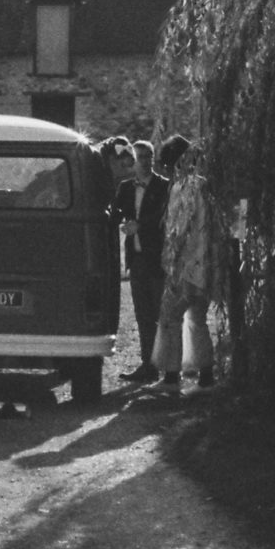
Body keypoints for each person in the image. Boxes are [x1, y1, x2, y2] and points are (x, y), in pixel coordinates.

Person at [153, 140, 215, 389]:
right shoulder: (205, 186)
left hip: (185, 265)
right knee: (197, 319)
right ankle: (206, 374)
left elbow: (179, 230)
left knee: (170, 317)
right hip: (206, 264)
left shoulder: (183, 188)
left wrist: (170, 260)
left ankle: (171, 374)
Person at [114, 139, 170, 381]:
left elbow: (165, 218)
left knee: (162, 316)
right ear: (132, 161)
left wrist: (140, 226)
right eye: (140, 157)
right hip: (136, 260)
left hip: (158, 261)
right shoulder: (126, 188)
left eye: (149, 156)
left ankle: (168, 368)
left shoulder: (165, 186)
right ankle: (148, 366)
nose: (145, 161)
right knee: (143, 315)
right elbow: (115, 212)